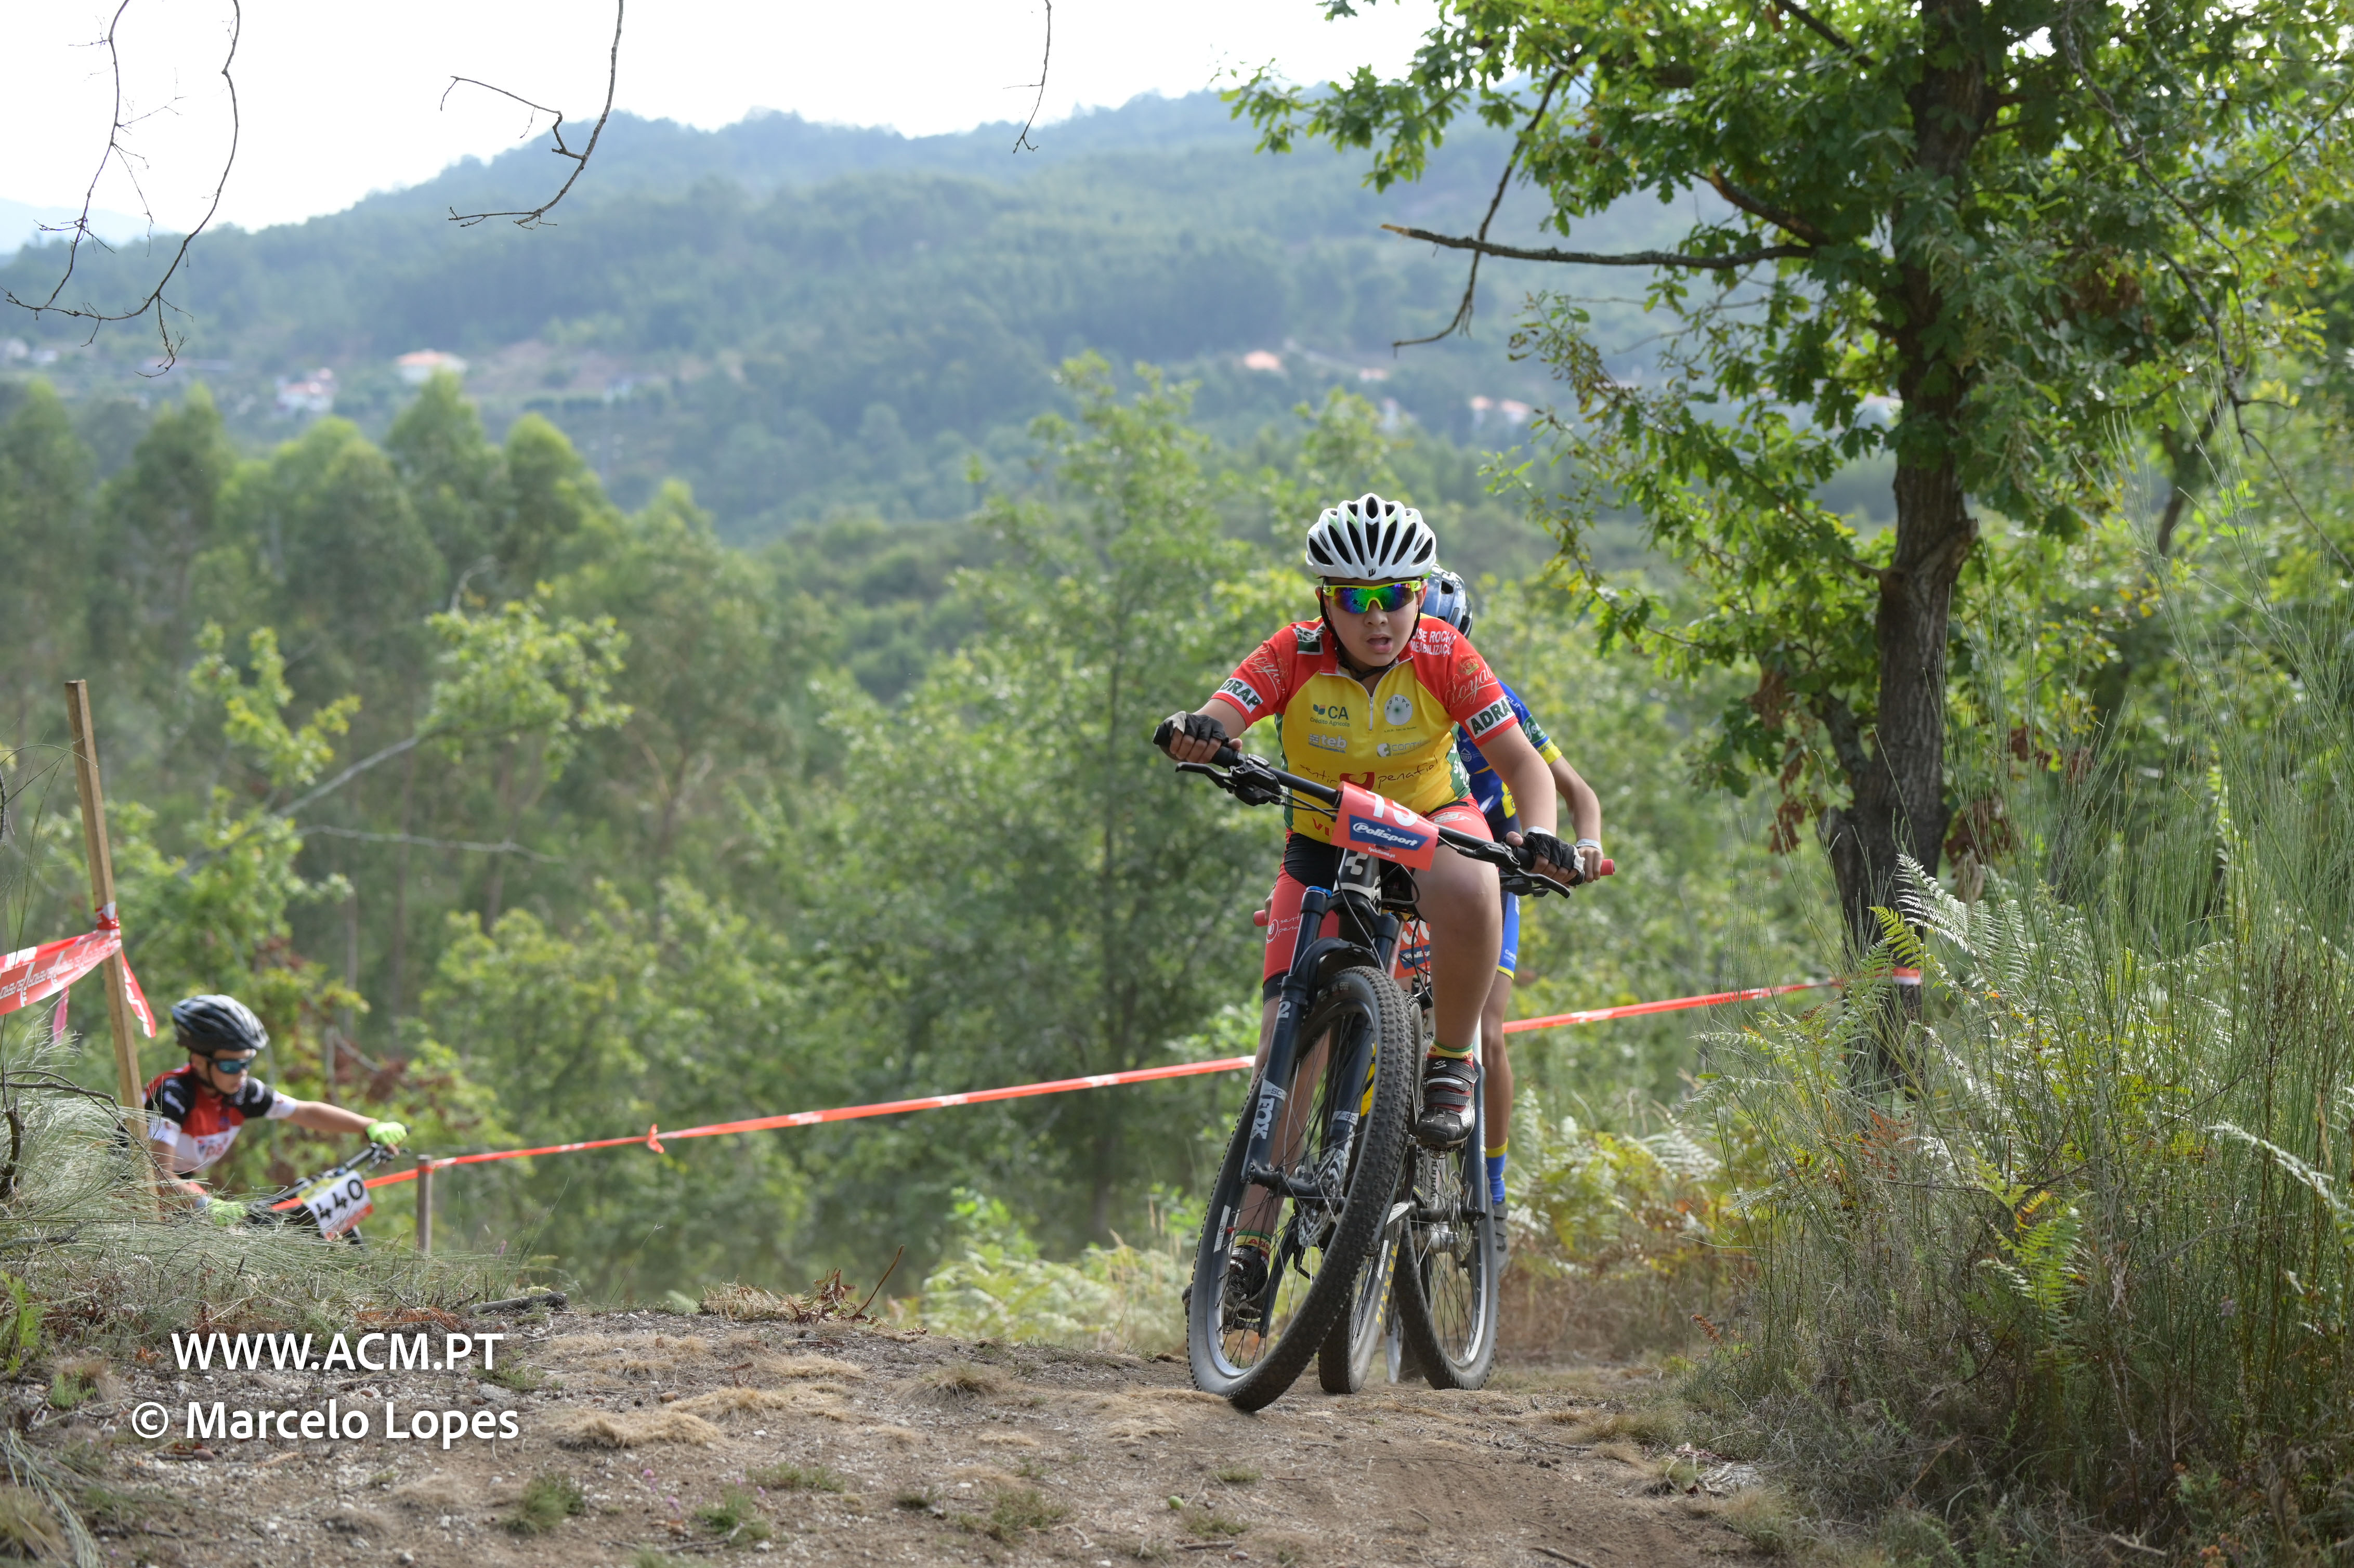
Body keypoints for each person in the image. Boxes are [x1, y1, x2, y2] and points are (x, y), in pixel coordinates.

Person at [1159, 494, 1581, 1309]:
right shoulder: (1292, 652)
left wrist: (1541, 834)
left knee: (1474, 881)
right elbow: (1223, 713)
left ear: (1420, 593)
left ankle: (1451, 1062)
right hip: (1321, 837)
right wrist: (1201, 733)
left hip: (1429, 821)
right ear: (1326, 600)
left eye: (1396, 595)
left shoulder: (1446, 653)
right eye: (1356, 599)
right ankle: (1248, 1250)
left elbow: (1525, 767)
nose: (1378, 617)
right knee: (1284, 1049)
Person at [1417, 571, 1604, 1211]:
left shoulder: (1494, 700)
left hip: (1490, 870)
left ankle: (1490, 1190)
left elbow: (1577, 792)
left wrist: (1583, 843)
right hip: (1410, 866)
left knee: (1487, 1032)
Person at [146, 994, 408, 1225]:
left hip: (179, 1190)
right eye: (231, 1066)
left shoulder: (241, 1093)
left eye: (247, 1063)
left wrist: (368, 1125)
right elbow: (157, 1177)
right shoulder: (171, 1095)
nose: (242, 1073)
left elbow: (304, 1112)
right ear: (199, 1062)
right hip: (138, 1195)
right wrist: (206, 1204)